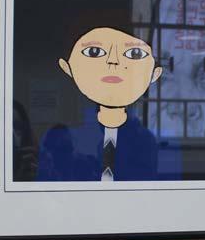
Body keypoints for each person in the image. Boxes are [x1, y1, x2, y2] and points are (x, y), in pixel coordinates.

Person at [37, 26, 162, 182]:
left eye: (134, 54)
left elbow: (141, 178)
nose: (113, 61)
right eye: (94, 52)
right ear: (67, 67)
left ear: (154, 74)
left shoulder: (140, 140)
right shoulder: (96, 142)